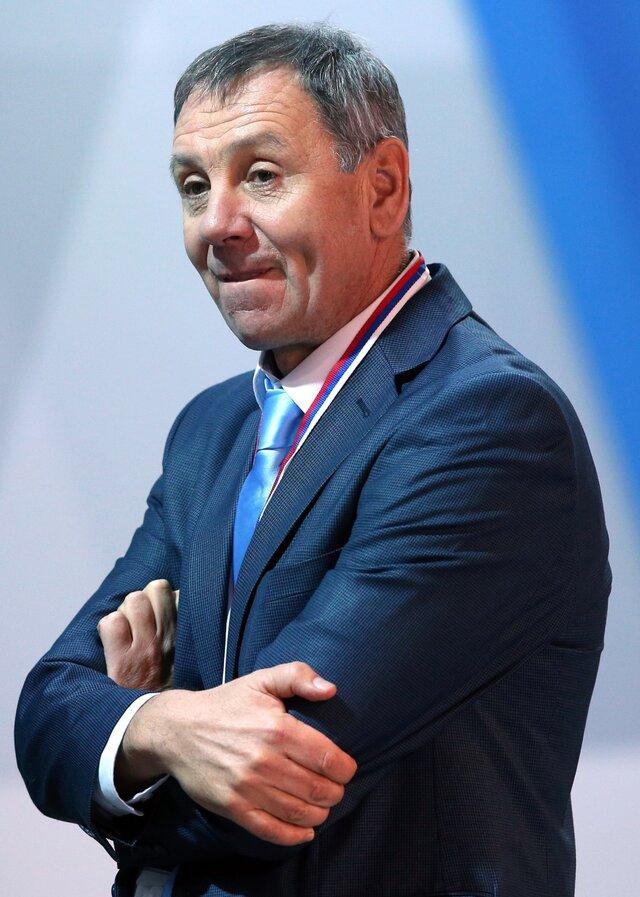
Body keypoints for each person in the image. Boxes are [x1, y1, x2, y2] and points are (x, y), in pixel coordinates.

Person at [15, 22, 610, 897]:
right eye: (192, 186)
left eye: (261, 175)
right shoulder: (212, 430)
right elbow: (43, 710)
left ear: (383, 187)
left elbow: (274, 777)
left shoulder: (488, 422)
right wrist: (165, 725)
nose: (217, 225)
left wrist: (123, 732)